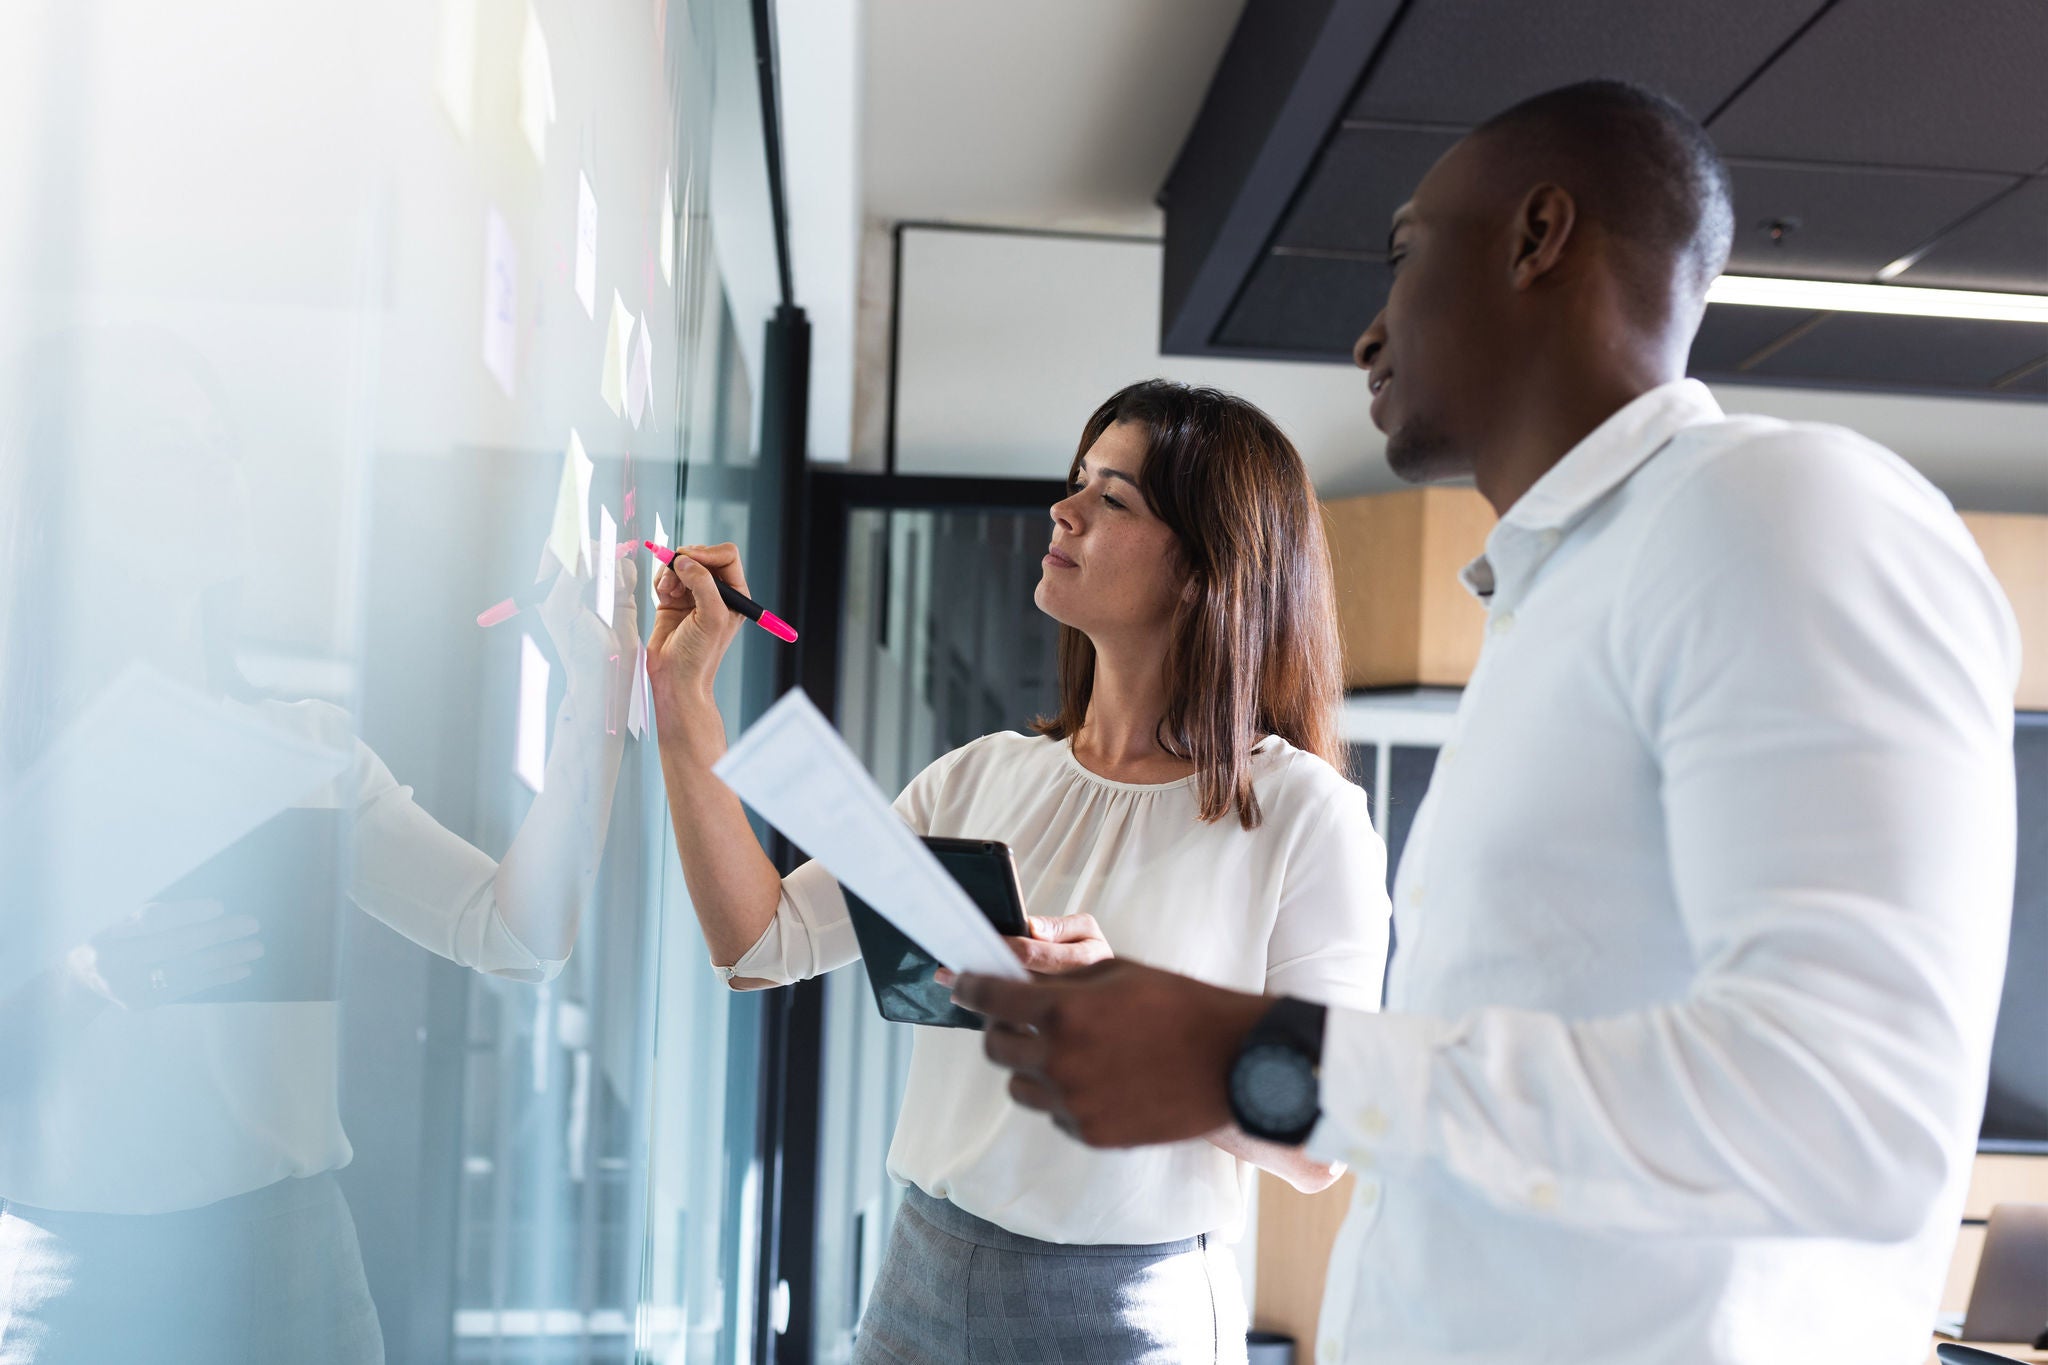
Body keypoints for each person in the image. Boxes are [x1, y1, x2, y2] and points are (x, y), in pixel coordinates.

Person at [955, 80, 2022, 1365]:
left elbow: (1848, 1116)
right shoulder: (1555, 596)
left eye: (1403, 254)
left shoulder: (1778, 509)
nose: (1366, 332)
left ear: (1538, 237)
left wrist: (1254, 1053)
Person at [646, 380, 1391, 1364]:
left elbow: (1323, 1141)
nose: (1063, 509)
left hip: (1120, 1314)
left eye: (1112, 498)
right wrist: (681, 699)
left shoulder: (1304, 816)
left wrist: (1129, 1015)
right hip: (917, 1276)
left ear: (1205, 569)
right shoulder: (980, 775)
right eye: (1076, 482)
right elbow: (759, 943)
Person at [0, 332, 640, 1364]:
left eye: (223, 441)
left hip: (290, 1268)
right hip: (74, 1281)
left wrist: (595, 710)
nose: (222, 470)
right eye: (172, 447)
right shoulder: (20, 760)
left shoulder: (302, 747)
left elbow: (516, 935)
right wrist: (80, 978)